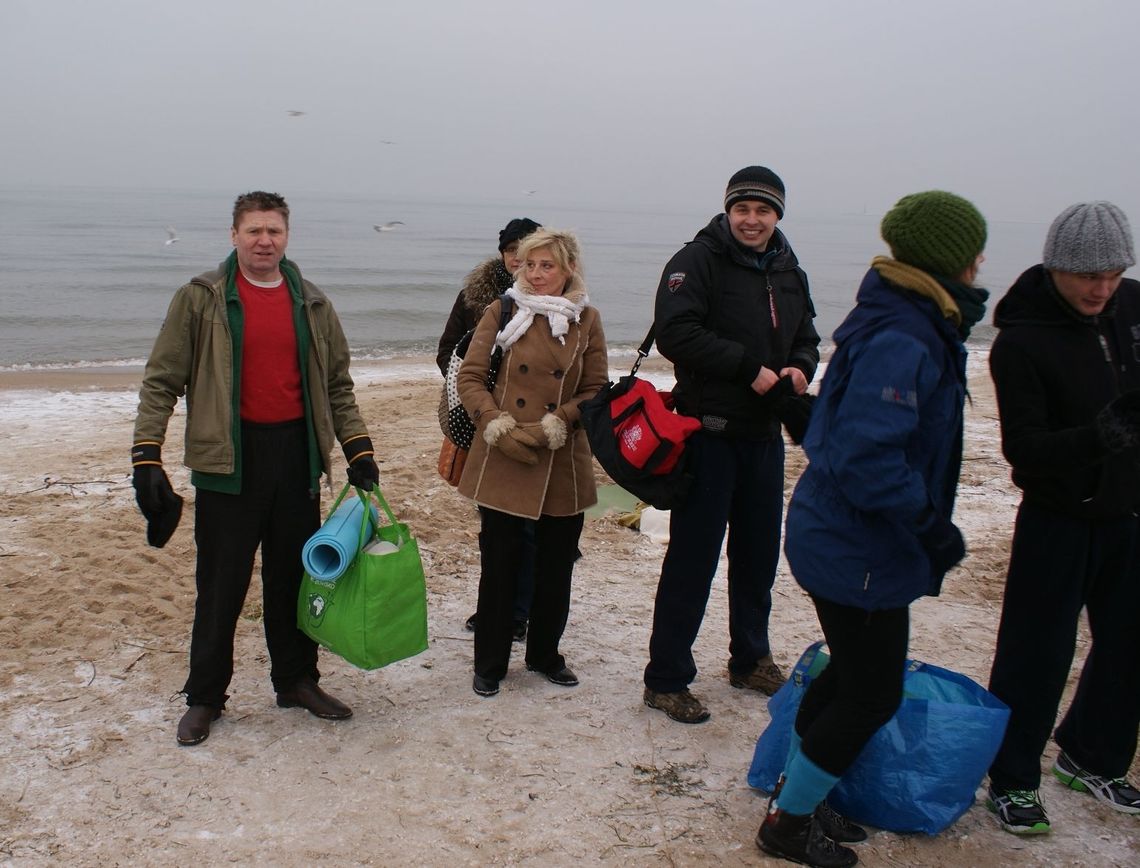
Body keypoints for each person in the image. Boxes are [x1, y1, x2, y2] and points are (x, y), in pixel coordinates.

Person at [758, 191, 989, 867]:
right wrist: (927, 524)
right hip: (859, 545)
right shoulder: (904, 332)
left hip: (845, 537)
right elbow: (867, 455)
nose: (980, 264)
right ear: (953, 259)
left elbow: (843, 424)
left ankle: (795, 789)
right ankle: (787, 823)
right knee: (871, 691)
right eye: (975, 252)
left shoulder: (905, 314)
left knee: (848, 676)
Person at [131, 191, 380, 746]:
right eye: (253, 231)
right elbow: (161, 381)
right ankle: (204, 697)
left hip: (296, 459)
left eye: (274, 231)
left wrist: (358, 448)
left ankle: (295, 681)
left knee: (293, 579)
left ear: (286, 236)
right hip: (229, 461)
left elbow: (338, 385)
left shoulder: (311, 303)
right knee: (221, 586)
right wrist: (146, 453)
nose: (264, 240)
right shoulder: (201, 299)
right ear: (234, 236)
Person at [642, 166, 820, 725]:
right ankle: (666, 679)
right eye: (742, 209)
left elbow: (809, 337)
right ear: (727, 210)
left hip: (765, 437)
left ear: (777, 216)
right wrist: (750, 370)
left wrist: (798, 369)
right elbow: (675, 332)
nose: (751, 219)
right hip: (710, 433)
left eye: (762, 210)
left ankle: (750, 659)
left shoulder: (790, 269)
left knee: (758, 557)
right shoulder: (696, 260)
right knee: (693, 559)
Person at [985, 201, 1140, 835]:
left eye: (1113, 273)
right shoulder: (1021, 339)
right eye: (1088, 276)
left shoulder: (1133, 307)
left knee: (1130, 644)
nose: (1102, 288)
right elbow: (1022, 450)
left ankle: (1092, 755)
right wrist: (1098, 436)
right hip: (1058, 518)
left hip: (1130, 512)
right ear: (1056, 269)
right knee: (1037, 653)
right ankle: (1013, 778)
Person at [456, 228, 608, 697]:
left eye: (548, 266)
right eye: (529, 265)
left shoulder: (588, 319)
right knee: (499, 564)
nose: (537, 274)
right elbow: (471, 376)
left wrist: (558, 423)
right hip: (504, 453)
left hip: (561, 457)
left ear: (569, 270)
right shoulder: (501, 311)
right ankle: (490, 663)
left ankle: (545, 654)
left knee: (556, 566)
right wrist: (495, 424)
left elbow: (597, 389)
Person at [437, 217, 541, 642]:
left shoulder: (557, 301)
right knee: (494, 526)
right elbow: (447, 351)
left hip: (535, 425)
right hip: (483, 425)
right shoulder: (476, 296)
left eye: (526, 247)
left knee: (532, 526)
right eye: (510, 247)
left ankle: (521, 611)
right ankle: (494, 608)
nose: (517, 256)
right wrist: (473, 394)